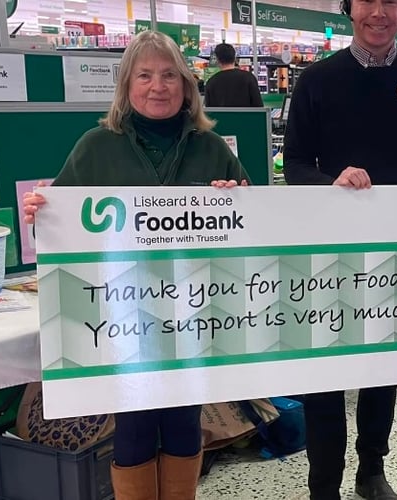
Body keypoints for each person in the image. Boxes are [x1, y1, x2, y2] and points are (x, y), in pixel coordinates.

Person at [22, 30, 250, 500]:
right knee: (133, 420)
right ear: (127, 86)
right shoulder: (95, 147)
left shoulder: (212, 149)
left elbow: (253, 228)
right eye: (144, 75)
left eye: (170, 75)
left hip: (193, 313)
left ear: (187, 86)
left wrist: (240, 203)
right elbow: (60, 228)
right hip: (121, 315)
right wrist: (40, 214)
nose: (158, 86)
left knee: (185, 416)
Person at [282, 0, 397, 497]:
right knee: (325, 372)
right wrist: (328, 181)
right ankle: (324, 483)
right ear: (348, 9)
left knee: (385, 364)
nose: (378, 11)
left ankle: (371, 470)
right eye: (367, 1)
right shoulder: (316, 80)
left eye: (390, 1)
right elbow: (294, 163)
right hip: (329, 252)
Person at [204, 42, 263, 108]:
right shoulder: (249, 77)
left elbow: (209, 110)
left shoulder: (211, 82)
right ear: (235, 58)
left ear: (217, 60)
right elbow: (259, 106)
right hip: (246, 118)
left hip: (221, 118)